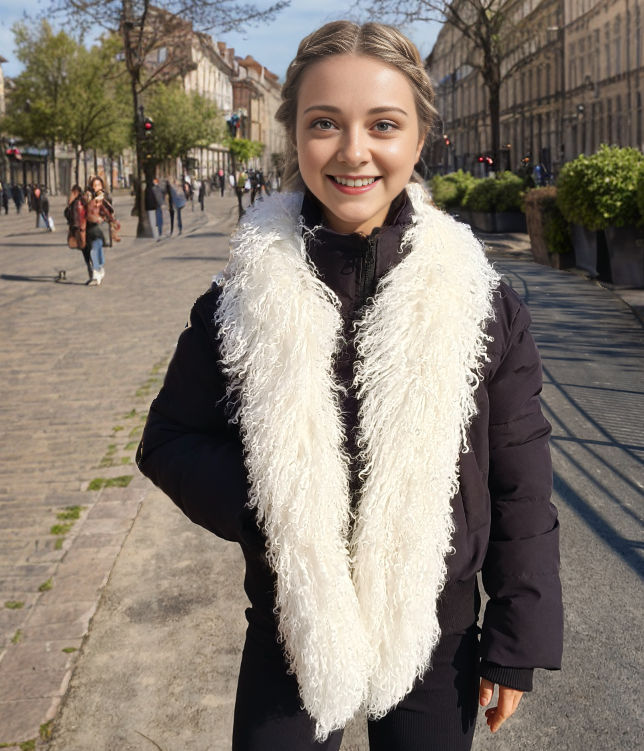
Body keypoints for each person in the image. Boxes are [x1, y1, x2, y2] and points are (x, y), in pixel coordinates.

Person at [138, 20, 562, 751]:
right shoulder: (244, 298)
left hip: (437, 624)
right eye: (325, 123)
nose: (354, 150)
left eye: (384, 124)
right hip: (292, 620)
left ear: (420, 139)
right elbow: (166, 440)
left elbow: (521, 480)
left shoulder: (481, 305)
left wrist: (517, 636)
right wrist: (273, 498)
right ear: (294, 134)